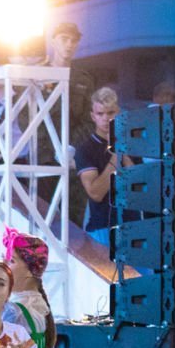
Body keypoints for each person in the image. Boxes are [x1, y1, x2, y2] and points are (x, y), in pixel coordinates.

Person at [75, 87, 129, 245]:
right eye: (100, 114)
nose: (105, 118)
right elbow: (96, 193)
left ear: (118, 113)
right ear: (93, 116)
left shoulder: (132, 143)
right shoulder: (85, 149)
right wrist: (117, 156)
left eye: (110, 113)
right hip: (102, 227)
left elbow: (143, 183)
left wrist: (123, 150)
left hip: (133, 225)